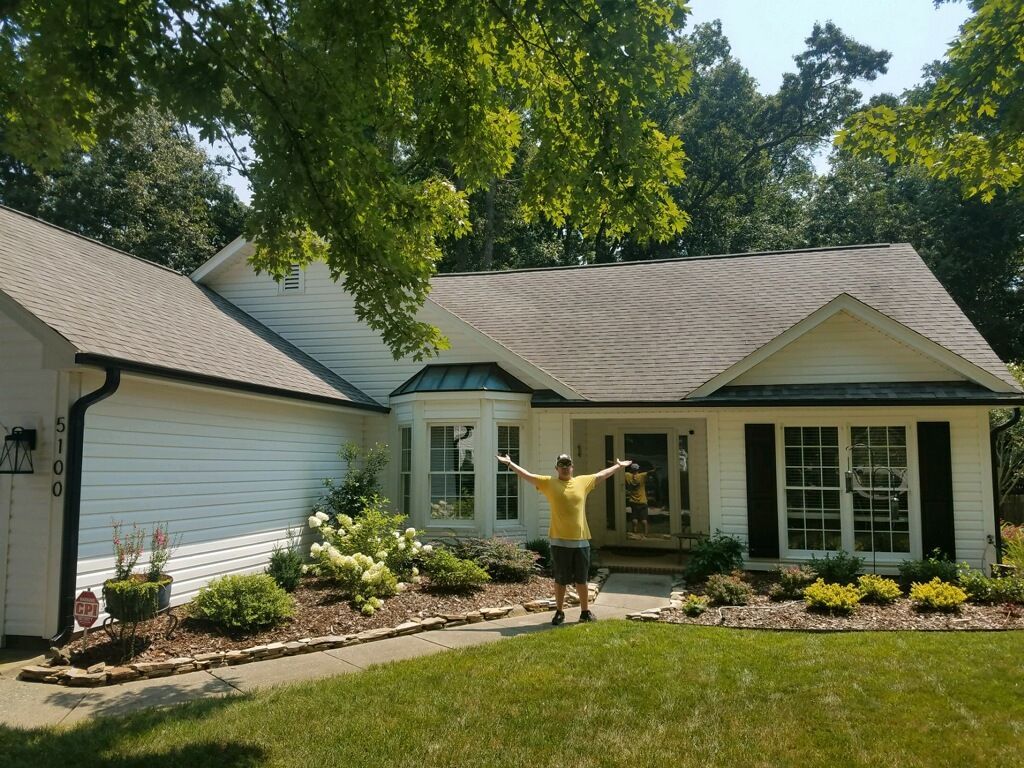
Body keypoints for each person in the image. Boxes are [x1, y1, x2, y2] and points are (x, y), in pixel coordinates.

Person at [497, 451, 631, 624]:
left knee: (581, 580)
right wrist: (509, 463)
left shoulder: (583, 482)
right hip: (559, 541)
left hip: (581, 541)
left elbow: (601, 475)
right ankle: (559, 612)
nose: (565, 467)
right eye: (562, 465)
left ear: (572, 467)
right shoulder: (548, 483)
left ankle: (585, 612)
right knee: (560, 580)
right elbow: (527, 475)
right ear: (557, 468)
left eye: (568, 464)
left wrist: (618, 466)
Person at [624, 463, 656, 536]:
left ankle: (634, 532)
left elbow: (619, 471)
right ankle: (645, 534)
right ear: (638, 469)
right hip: (642, 501)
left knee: (634, 518)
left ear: (631, 470)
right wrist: (655, 469)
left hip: (633, 501)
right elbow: (650, 472)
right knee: (644, 519)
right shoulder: (642, 475)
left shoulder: (627, 475)